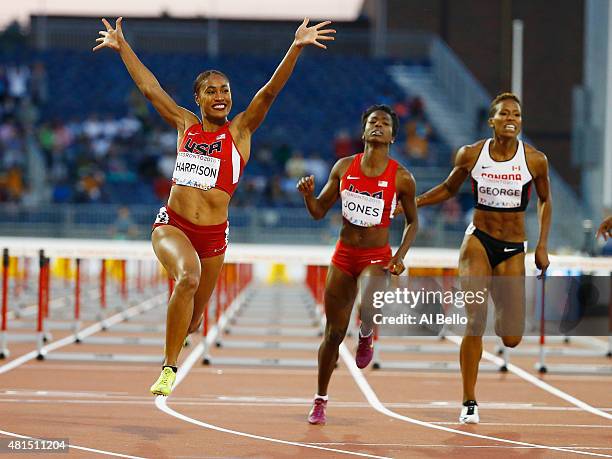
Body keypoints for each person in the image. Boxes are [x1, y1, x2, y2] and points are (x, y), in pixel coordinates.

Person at [94, 17, 335, 396]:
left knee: (193, 319)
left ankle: (184, 332)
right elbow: (149, 88)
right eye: (211, 90)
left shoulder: (239, 132)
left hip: (213, 238)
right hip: (172, 225)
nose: (220, 95)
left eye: (225, 89)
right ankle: (169, 368)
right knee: (187, 277)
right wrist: (122, 45)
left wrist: (296, 46)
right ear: (198, 98)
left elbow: (268, 94)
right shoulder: (184, 125)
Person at [415, 92, 551, 424]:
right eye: (504, 113)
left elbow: (545, 201)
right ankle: (469, 400)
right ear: (492, 121)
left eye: (516, 115)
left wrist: (542, 246)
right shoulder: (472, 154)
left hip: (512, 247)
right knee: (475, 318)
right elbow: (449, 188)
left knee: (511, 336)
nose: (511, 118)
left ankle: (503, 313)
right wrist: (413, 203)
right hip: (478, 240)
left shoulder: (534, 160)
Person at [296, 104, 418, 425]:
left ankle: (366, 333)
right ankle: (320, 399)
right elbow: (320, 211)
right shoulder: (343, 167)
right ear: (363, 131)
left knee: (367, 302)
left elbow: (413, 222)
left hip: (377, 257)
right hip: (344, 256)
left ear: (392, 136)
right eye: (373, 122)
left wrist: (400, 256)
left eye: (385, 123)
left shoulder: (402, 178)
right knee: (332, 335)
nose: (378, 126)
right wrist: (308, 196)